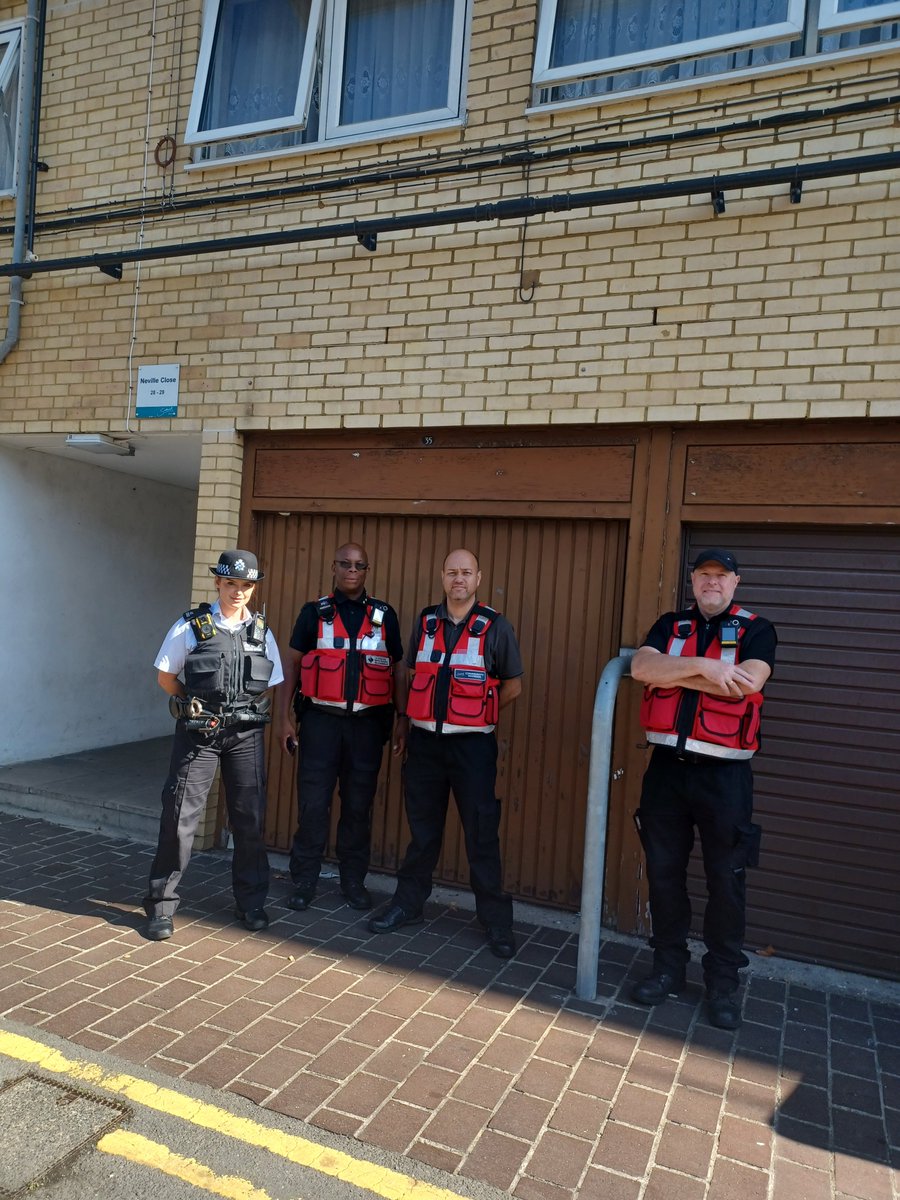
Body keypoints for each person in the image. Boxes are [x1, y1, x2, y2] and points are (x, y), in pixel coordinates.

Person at [629, 548, 777, 1029]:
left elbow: (748, 684)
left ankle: (722, 985)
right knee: (664, 874)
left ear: (736, 582)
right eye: (703, 575)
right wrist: (706, 668)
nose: (711, 583)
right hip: (667, 772)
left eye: (721, 576)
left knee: (726, 883)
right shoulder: (670, 626)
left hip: (725, 778)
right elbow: (641, 669)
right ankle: (667, 968)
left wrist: (680, 674)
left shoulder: (758, 629)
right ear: (692, 581)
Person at [368, 548, 524, 959]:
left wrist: (478, 715)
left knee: (481, 835)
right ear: (442, 577)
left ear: (478, 578)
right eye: (452, 572)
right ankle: (407, 904)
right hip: (424, 745)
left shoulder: (496, 627)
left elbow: (512, 686)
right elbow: (411, 674)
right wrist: (405, 718)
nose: (459, 579)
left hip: (472, 747)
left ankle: (495, 921)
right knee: (422, 833)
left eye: (466, 573)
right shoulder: (425, 621)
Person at [143, 549, 284, 941]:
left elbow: (273, 682)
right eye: (231, 583)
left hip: (245, 737)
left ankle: (252, 903)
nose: (238, 591)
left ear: (252, 589)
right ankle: (161, 906)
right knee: (179, 819)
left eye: (245, 585)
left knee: (249, 821)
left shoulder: (261, 631)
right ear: (218, 583)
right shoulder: (191, 626)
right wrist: (194, 705)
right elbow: (166, 677)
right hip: (198, 735)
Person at [277, 543, 406, 912]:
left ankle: (353, 881)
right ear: (333, 567)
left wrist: (402, 719)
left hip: (367, 728)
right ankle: (304, 880)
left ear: (367, 570)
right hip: (320, 725)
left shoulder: (384, 615)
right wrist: (283, 717)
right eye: (345, 564)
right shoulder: (313, 613)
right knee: (313, 806)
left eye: (359, 565)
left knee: (357, 808)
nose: (352, 570)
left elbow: (397, 669)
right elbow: (293, 665)